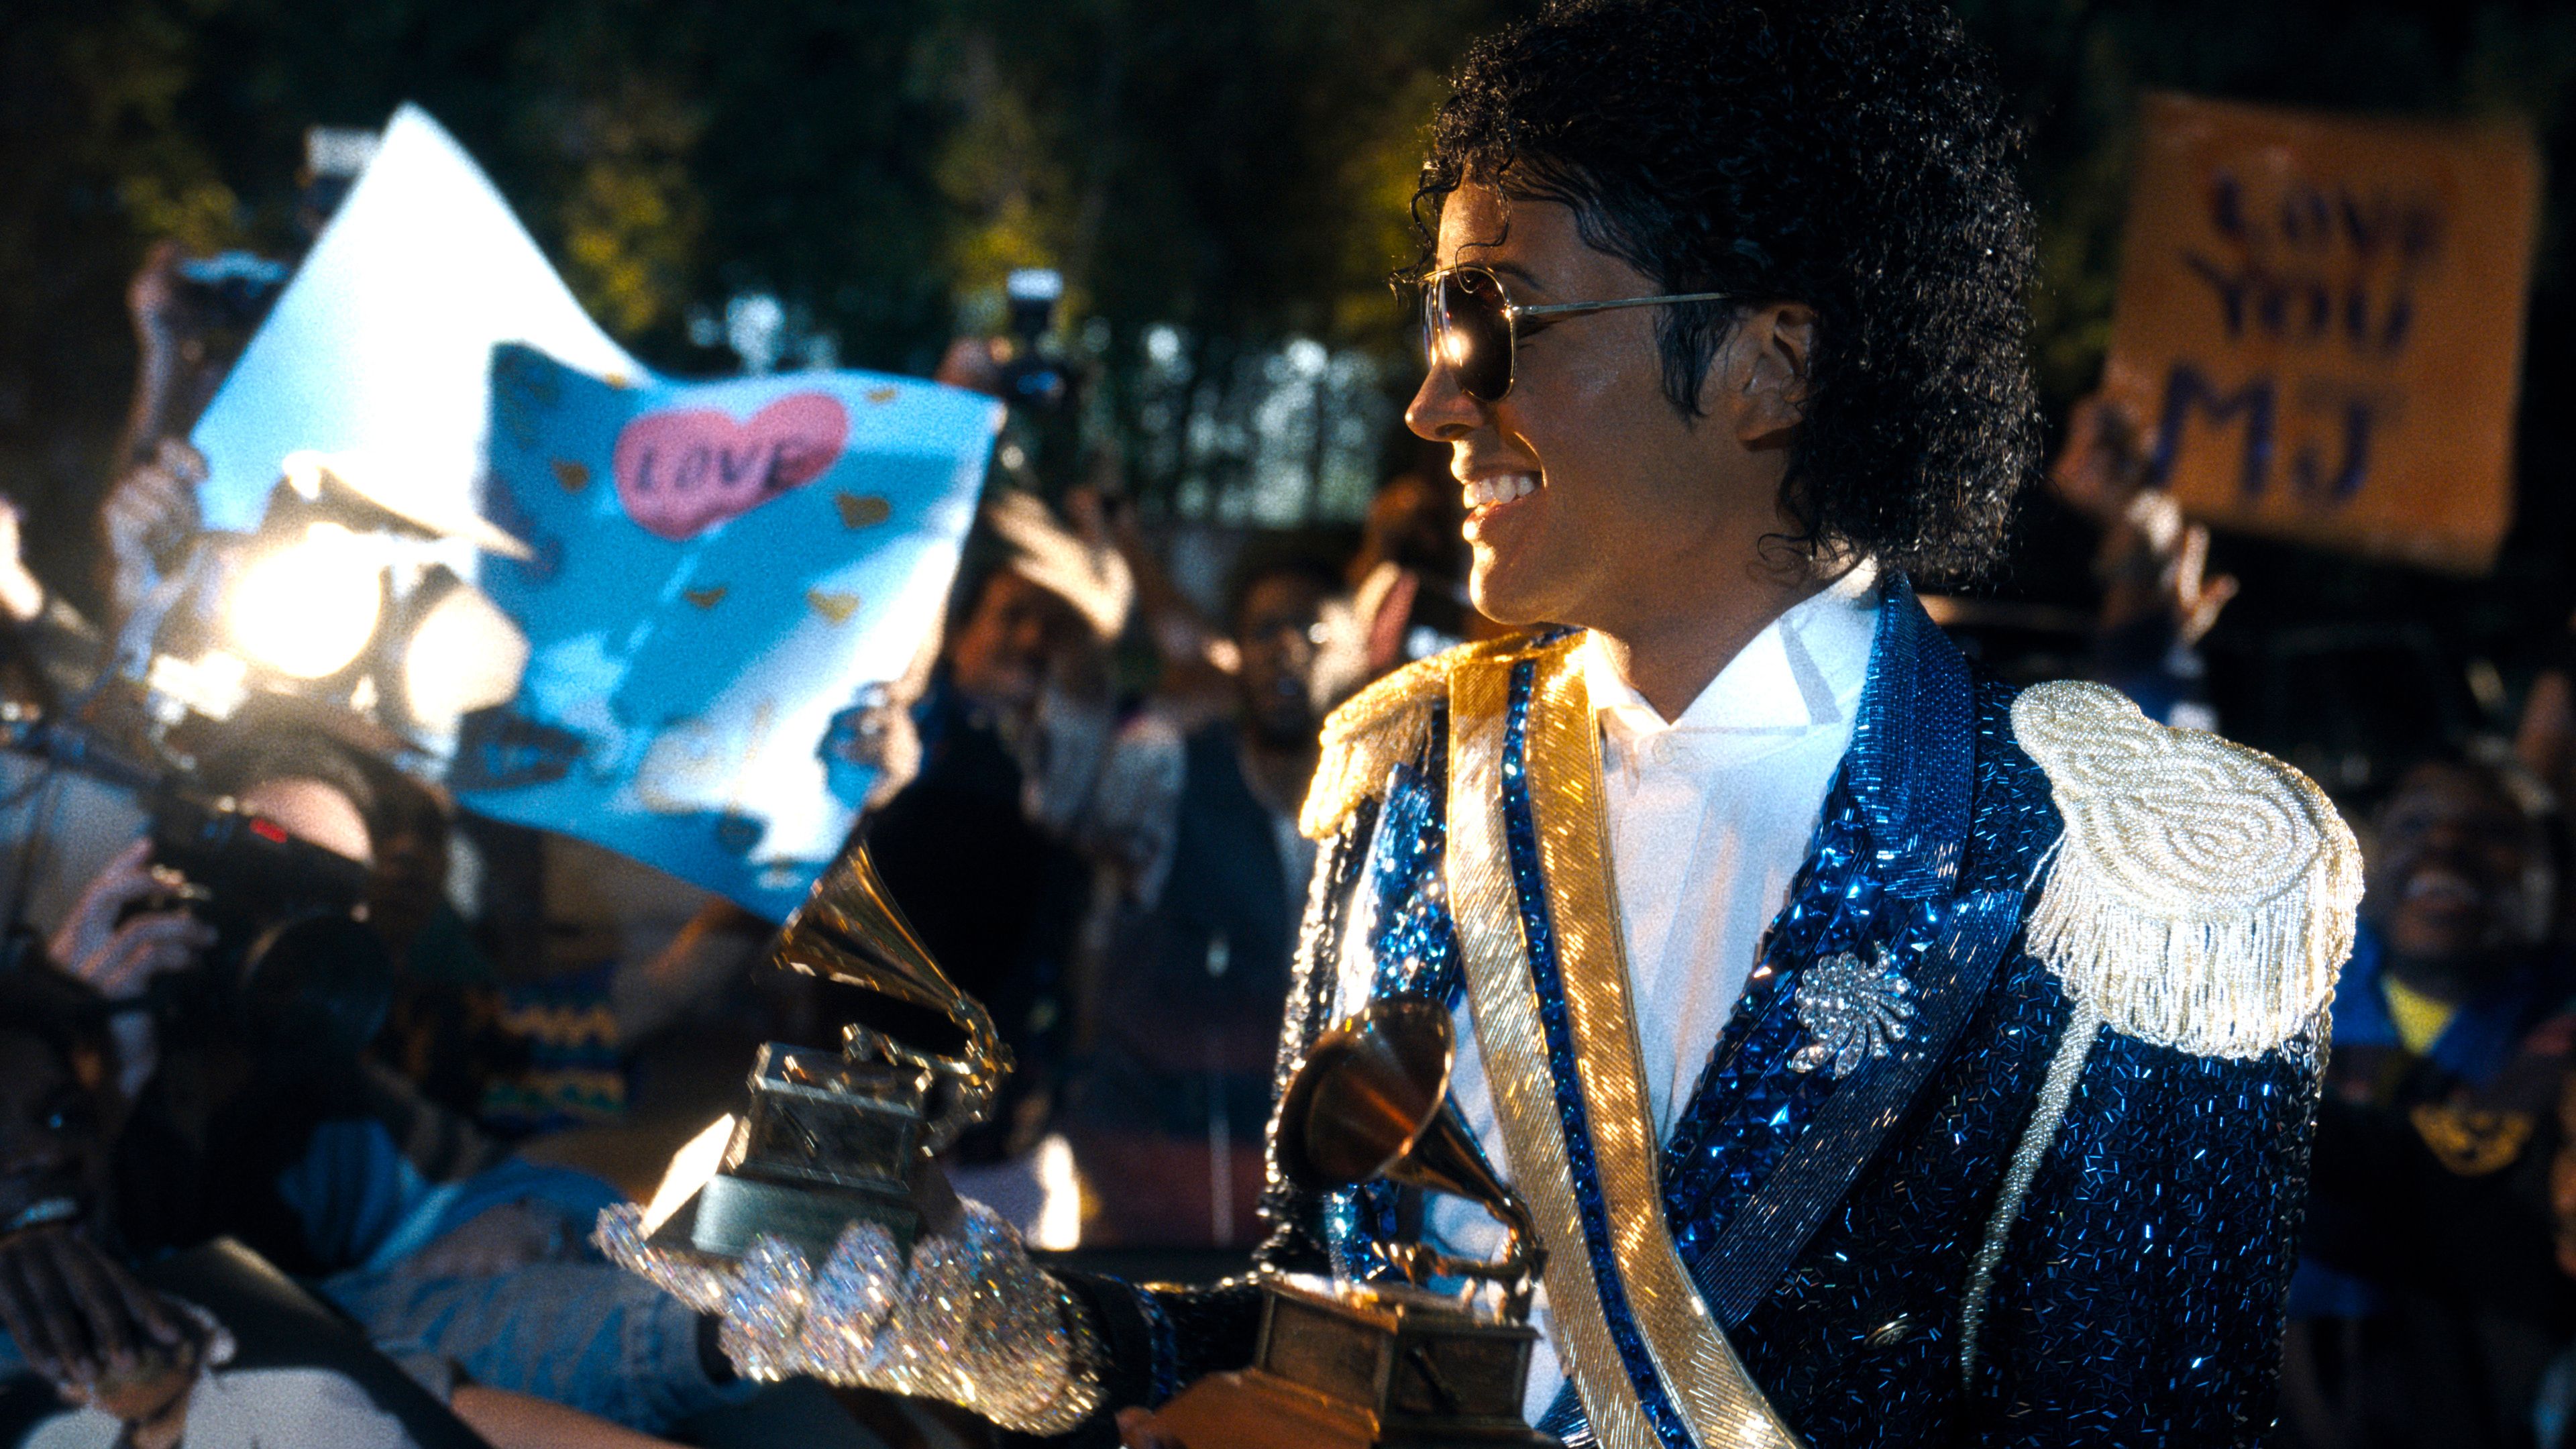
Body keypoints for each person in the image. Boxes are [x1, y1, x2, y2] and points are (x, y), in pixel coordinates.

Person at [612, 3, 2359, 1444]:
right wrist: (957, 1307)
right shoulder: (1413, 774)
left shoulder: (2129, 879)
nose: (1433, 400)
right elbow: (1308, 1340)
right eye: (1440, 321)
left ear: (1770, 368)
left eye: (1499, 321)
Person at [0, 971, 685, 1449]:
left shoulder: (220, 1299)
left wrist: (531, 1216)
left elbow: (426, 1351)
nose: (44, 1154)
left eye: (64, 1117)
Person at [2283, 759, 2576, 1449]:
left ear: (2551, 874)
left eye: (2490, 832)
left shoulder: (2562, 1037)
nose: (2444, 848)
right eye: (2414, 825)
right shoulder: (2281, 997)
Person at [1066, 553, 1344, 1245]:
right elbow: (1091, 912)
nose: (1285, 650)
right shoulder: (1168, 771)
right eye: (1264, 631)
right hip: (1159, 1186)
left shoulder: (1381, 806)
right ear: (1235, 655)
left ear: (1360, 649)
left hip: (1306, 1198)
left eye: (1310, 630)